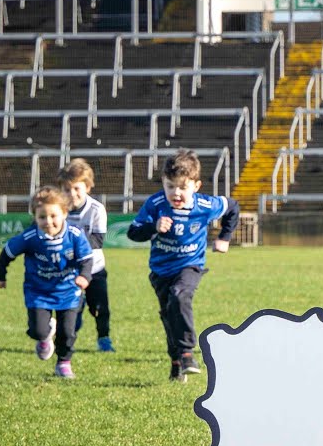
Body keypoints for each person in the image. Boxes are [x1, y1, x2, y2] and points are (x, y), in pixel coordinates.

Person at [127, 149, 240, 381]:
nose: (176, 193)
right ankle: (176, 360)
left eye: (182, 187)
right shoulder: (156, 204)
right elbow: (133, 233)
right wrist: (153, 227)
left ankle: (188, 352)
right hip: (160, 270)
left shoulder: (206, 205)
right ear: (163, 183)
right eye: (170, 186)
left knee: (180, 296)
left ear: (196, 186)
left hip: (190, 265)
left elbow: (233, 207)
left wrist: (224, 238)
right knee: (169, 315)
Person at [0, 185, 94, 379]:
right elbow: (7, 252)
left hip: (68, 290)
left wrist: (84, 276)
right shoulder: (30, 237)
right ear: (35, 217)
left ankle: (64, 362)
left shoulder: (74, 235)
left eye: (53, 216)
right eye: (42, 217)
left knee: (68, 331)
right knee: (37, 330)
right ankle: (45, 336)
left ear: (64, 213)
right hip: (38, 291)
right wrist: (0, 274)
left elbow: (86, 259)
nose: (48, 222)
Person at [59, 158, 114, 352]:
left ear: (88, 187)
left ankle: (104, 338)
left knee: (100, 308)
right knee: (71, 310)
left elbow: (98, 241)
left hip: (94, 269)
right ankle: (66, 341)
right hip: (67, 271)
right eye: (67, 189)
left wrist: (71, 242)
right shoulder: (58, 211)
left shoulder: (96, 209)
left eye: (76, 189)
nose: (71, 194)